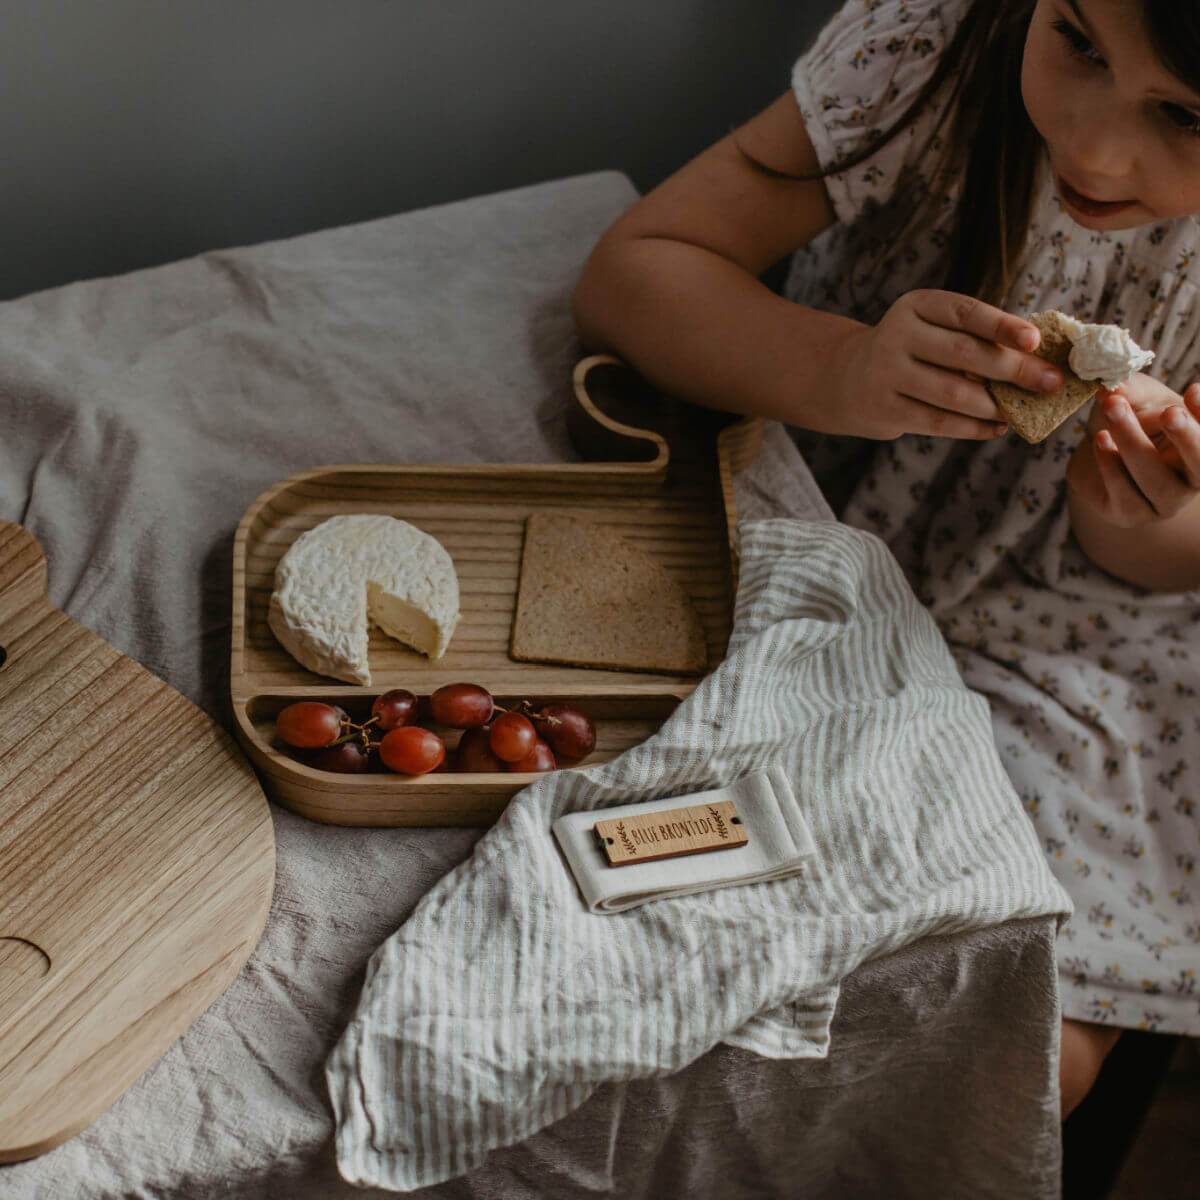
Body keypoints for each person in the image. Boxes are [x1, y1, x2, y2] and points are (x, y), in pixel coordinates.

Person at [573, 0, 1200, 1120]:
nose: (1098, 148)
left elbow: (1162, 564)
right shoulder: (938, 48)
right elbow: (637, 271)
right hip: (809, 523)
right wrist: (845, 370)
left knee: (1006, 1059)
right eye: (1080, 44)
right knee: (655, 925)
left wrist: (1135, 517)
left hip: (1062, 632)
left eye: (1188, 115)